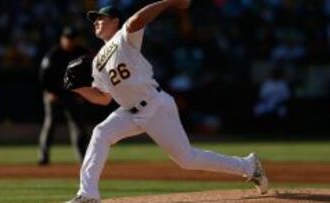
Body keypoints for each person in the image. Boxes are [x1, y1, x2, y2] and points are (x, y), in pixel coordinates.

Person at [64, 1, 268, 202]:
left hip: (154, 105)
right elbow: (103, 98)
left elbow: (137, 19)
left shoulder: (123, 38)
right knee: (101, 132)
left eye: (101, 18)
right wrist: (79, 89)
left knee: (187, 159)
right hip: (129, 112)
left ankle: (249, 166)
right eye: (94, 19)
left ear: (115, 21)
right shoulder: (97, 62)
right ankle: (88, 195)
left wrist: (169, 2)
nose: (96, 22)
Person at [38, 26, 92, 166]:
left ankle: (83, 158)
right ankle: (44, 156)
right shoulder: (53, 54)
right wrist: (50, 92)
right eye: (67, 38)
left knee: (78, 126)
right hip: (54, 95)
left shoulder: (82, 53)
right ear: (62, 39)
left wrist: (85, 92)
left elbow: (92, 74)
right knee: (50, 125)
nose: (69, 41)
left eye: (72, 39)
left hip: (73, 95)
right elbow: (43, 76)